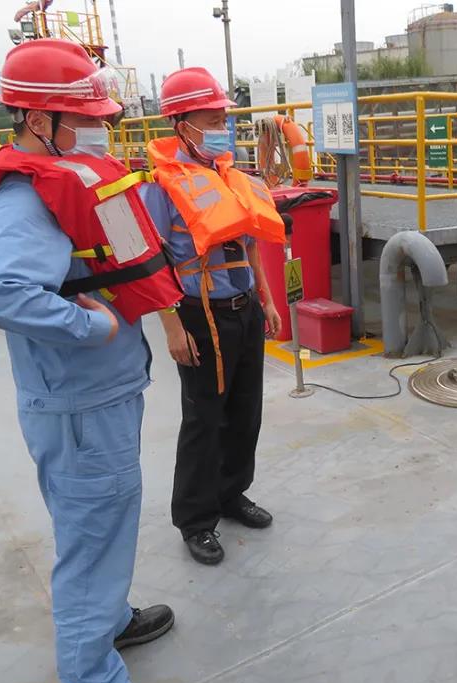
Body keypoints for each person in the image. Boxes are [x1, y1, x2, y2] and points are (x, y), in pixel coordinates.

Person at [0, 40, 179, 683]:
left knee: (103, 521)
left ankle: (110, 619)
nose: (99, 129)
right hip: (79, 402)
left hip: (98, 394)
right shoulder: (26, 196)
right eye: (85, 118)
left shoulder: (66, 177)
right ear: (38, 120)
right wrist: (91, 327)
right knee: (91, 535)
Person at [140, 67, 285, 566]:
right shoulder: (162, 187)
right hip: (199, 315)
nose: (223, 127)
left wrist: (267, 299)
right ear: (182, 125)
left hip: (244, 308)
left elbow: (251, 245)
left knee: (246, 411)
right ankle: (195, 519)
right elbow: (151, 259)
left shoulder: (230, 176)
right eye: (213, 119)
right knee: (203, 418)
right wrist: (172, 326)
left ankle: (231, 493)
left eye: (224, 118)